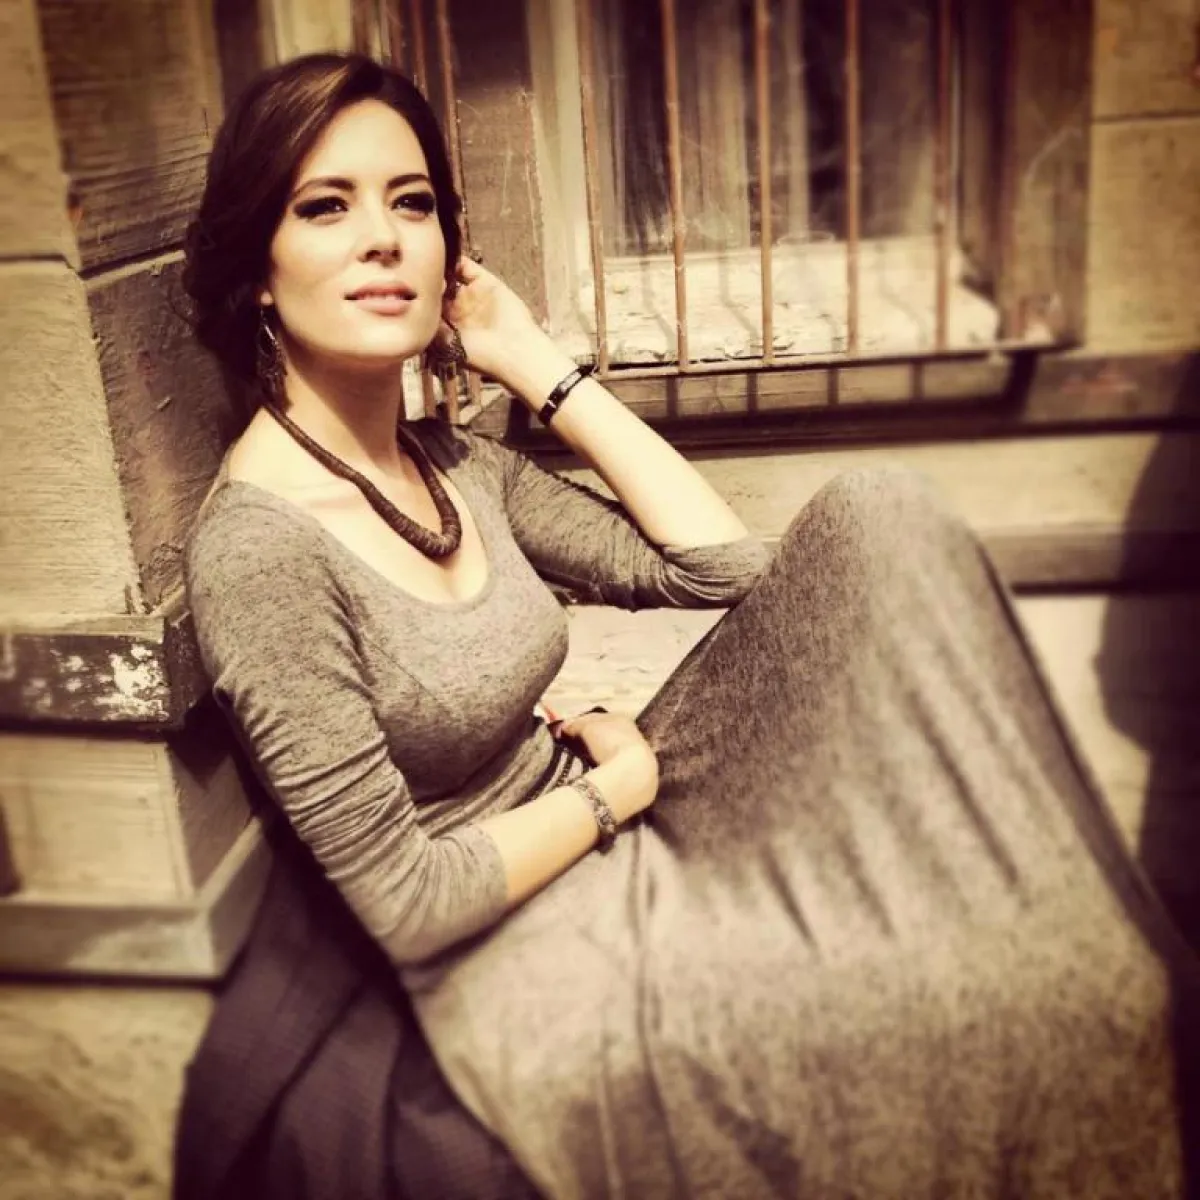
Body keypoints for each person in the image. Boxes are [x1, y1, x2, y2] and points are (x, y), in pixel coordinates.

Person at [176, 52, 1199, 1199]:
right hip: (500, 937)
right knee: (920, 999)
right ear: (257, 271)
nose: (383, 238)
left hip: (600, 805)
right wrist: (615, 792)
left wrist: (534, 363)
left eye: (411, 203)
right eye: (326, 207)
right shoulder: (260, 550)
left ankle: (1053, 925)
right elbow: (407, 906)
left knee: (881, 516)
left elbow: (721, 570)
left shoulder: (455, 464)